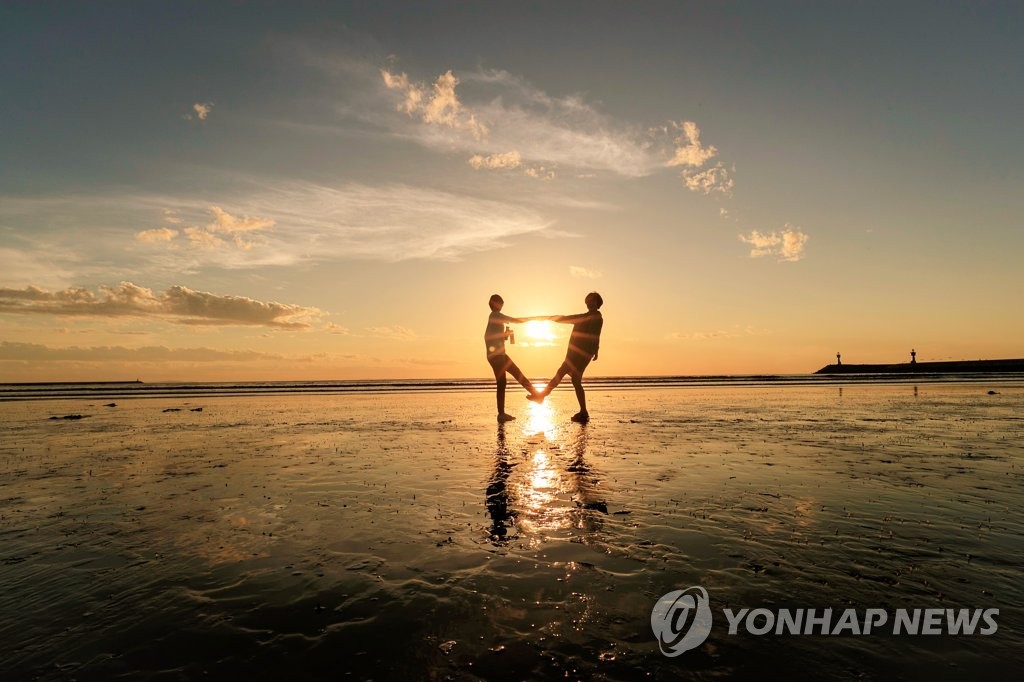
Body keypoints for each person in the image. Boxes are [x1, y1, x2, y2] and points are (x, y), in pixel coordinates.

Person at [529, 292, 604, 422]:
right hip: (574, 352)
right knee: (575, 380)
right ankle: (583, 411)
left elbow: (596, 335)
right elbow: (567, 318)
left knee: (564, 373)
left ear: (598, 303)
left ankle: (542, 396)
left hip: (582, 354)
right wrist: (552, 318)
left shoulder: (597, 317)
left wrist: (595, 350)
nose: (589, 303)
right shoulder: (584, 316)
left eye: (592, 300)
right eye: (587, 301)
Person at [485, 294, 543, 422]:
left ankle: (535, 396)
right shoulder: (495, 315)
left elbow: (496, 337)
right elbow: (515, 320)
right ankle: (502, 414)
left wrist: (505, 335)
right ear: (494, 303)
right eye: (500, 303)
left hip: (496, 355)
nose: (501, 306)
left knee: (507, 379)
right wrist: (532, 319)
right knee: (510, 378)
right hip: (497, 355)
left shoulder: (495, 318)